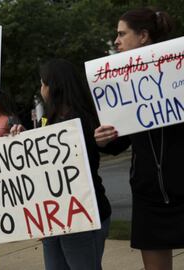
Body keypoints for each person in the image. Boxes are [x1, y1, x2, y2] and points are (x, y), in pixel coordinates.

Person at [94, 7, 180, 270]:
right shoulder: (119, 85)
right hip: (148, 195)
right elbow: (120, 141)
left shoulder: (179, 70)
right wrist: (103, 140)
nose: (116, 41)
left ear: (143, 36)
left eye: (122, 34)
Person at [12, 59, 111, 270]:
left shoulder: (82, 120)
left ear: (53, 86)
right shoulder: (51, 119)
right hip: (55, 220)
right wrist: (23, 139)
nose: (41, 88)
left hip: (82, 217)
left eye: (42, 83)